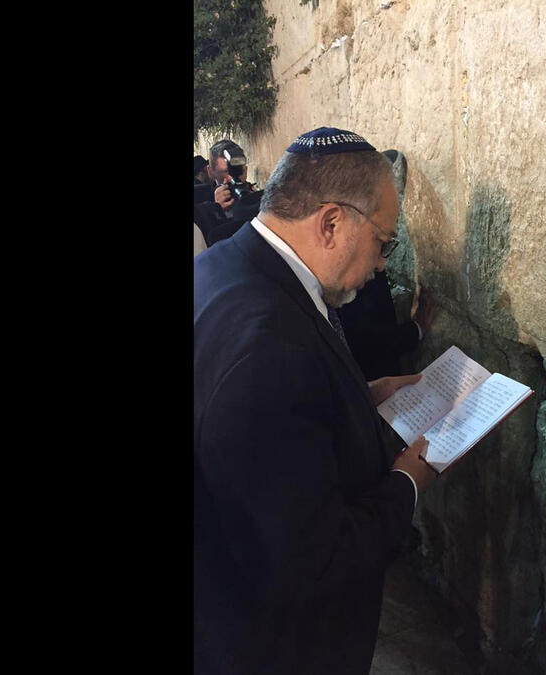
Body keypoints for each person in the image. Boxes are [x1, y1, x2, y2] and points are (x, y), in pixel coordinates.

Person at [194, 126, 440, 674]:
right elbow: (314, 561)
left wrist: (360, 395)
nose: (381, 265)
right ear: (331, 223)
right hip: (275, 647)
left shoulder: (219, 267)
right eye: (384, 243)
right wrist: (408, 483)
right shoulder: (271, 351)